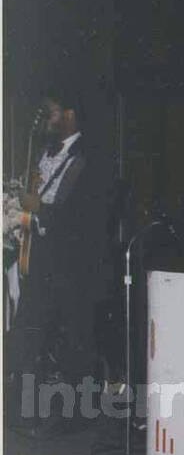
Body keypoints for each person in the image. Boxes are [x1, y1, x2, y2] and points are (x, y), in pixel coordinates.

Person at [5, 88, 107, 432]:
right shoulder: (44, 153)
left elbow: (84, 216)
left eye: (48, 113)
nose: (42, 120)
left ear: (69, 115)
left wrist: (41, 209)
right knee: (27, 333)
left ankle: (76, 417)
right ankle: (23, 413)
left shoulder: (89, 156)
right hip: (43, 260)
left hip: (73, 265)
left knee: (75, 342)